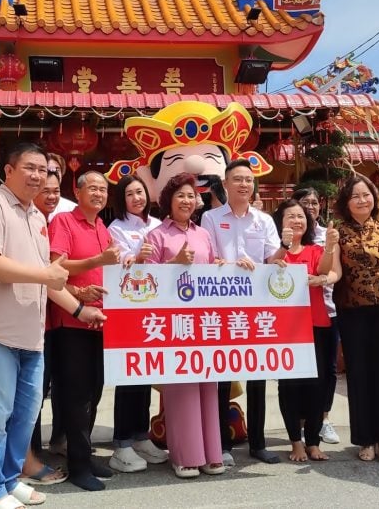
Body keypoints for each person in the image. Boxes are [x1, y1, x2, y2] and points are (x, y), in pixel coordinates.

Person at [0, 142, 105, 509]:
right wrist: (45, 275)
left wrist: (78, 310)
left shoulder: (37, 218)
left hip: (30, 334)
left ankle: (8, 481)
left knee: (24, 414)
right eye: (30, 167)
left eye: (43, 169)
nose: (38, 175)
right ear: (8, 171)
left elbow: (49, 280)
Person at [200, 159, 288, 466]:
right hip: (222, 304)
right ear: (225, 184)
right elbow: (207, 257)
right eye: (237, 179)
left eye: (248, 180)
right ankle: (222, 444)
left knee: (258, 376)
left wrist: (284, 249)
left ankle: (258, 443)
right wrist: (223, 265)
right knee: (222, 374)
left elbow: (274, 258)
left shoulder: (263, 220)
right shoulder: (210, 218)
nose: (243, 184)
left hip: (256, 306)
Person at [326, 173, 379, 467]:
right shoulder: (338, 231)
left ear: (374, 198)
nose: (362, 201)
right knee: (359, 374)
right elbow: (335, 271)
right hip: (352, 310)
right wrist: (323, 277)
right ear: (346, 203)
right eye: (355, 197)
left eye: (366, 195)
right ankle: (365, 438)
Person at [146, 173, 226, 479]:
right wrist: (174, 263)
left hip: (204, 319)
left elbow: (213, 266)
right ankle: (185, 455)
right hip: (172, 321)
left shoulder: (203, 233)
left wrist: (222, 267)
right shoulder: (157, 235)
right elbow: (144, 280)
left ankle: (211, 453)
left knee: (208, 384)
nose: (187, 201)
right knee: (182, 388)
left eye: (191, 196)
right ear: (169, 200)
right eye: (180, 195)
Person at [48, 170, 121, 491]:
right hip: (72, 320)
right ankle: (77, 465)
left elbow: (108, 266)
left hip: (101, 322)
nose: (99, 193)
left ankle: (86, 454)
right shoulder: (63, 223)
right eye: (92, 188)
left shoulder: (103, 227)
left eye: (103, 189)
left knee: (94, 390)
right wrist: (96, 260)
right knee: (76, 395)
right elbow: (56, 267)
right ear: (77, 193)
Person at [106, 175, 168, 472]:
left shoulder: (158, 225)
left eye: (140, 192)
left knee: (146, 374)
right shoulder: (116, 228)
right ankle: (121, 443)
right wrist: (136, 257)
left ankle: (141, 436)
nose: (136, 198)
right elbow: (117, 265)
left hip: (156, 311)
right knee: (128, 375)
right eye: (129, 194)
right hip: (130, 310)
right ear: (122, 199)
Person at [273, 200, 341, 462]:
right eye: (290, 216)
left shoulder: (315, 250)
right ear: (280, 221)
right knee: (290, 386)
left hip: (317, 323)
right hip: (285, 328)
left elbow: (324, 270)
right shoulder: (276, 250)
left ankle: (313, 441)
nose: (297, 221)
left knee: (318, 384)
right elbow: (269, 266)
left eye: (301, 217)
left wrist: (331, 247)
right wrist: (283, 247)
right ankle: (295, 442)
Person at [22, 170, 67, 486]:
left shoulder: (57, 222)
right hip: (28, 319)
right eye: (44, 189)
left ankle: (45, 447)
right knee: (29, 395)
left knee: (47, 387)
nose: (51, 195)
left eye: (55, 189)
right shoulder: (27, 220)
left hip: (55, 320)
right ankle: (28, 456)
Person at [293, 186, 341, 445]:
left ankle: (324, 419)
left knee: (329, 369)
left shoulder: (327, 235)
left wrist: (324, 278)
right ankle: (301, 423)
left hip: (328, 308)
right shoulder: (293, 235)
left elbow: (335, 270)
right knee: (302, 369)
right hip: (298, 313)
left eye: (314, 202)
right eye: (305, 202)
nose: (310, 207)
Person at [46, 152, 76, 220]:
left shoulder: (72, 208)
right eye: (49, 169)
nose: (54, 173)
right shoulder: (28, 205)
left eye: (57, 170)